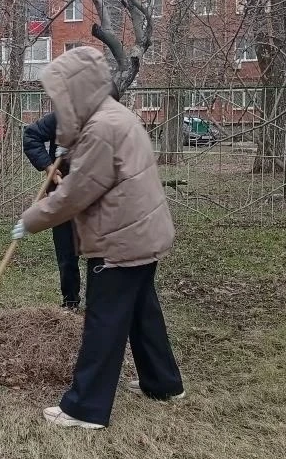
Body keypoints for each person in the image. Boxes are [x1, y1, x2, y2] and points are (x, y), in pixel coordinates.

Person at [11, 46, 184, 429]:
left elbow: (76, 193)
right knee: (142, 312)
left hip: (120, 239)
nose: (58, 102)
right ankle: (163, 382)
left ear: (78, 90)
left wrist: (31, 220)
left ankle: (85, 408)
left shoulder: (101, 129)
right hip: (141, 232)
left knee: (104, 321)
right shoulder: (115, 115)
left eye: (61, 94)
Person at [22, 112, 81, 311]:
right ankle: (70, 301)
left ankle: (100, 305)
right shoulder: (63, 115)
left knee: (100, 254)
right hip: (62, 194)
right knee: (66, 251)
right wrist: (48, 166)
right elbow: (31, 136)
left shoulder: (105, 117)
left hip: (96, 196)